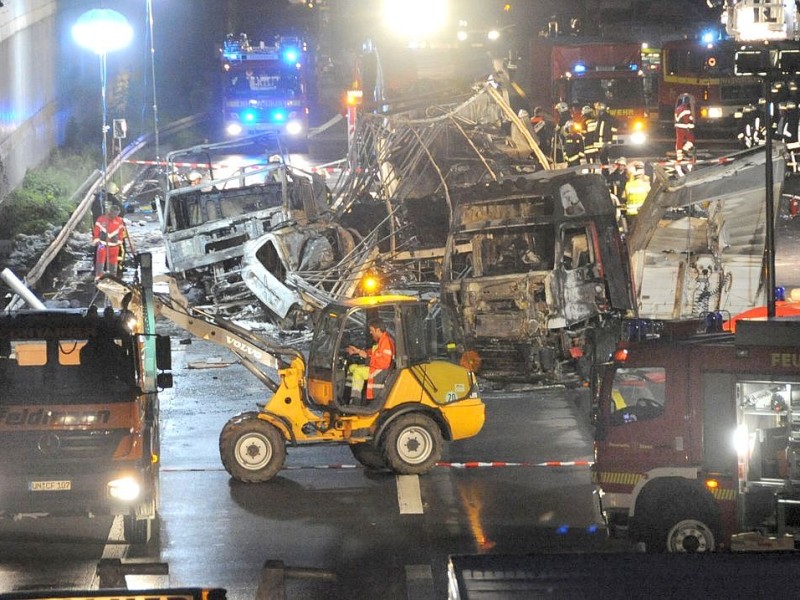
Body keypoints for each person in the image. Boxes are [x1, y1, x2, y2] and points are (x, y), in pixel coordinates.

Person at [345, 318, 395, 403]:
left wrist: (367, 358)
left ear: (378, 330)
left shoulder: (386, 342)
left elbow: (384, 363)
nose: (370, 332)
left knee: (358, 372)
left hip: (380, 370)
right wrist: (358, 351)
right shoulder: (381, 341)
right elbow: (373, 353)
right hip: (376, 366)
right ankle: (347, 396)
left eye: (372, 330)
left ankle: (355, 401)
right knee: (352, 368)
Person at [92, 203, 128, 280]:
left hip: (114, 246)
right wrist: (96, 240)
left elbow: (121, 232)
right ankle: (99, 277)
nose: (115, 216)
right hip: (102, 244)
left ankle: (113, 278)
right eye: (114, 214)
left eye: (117, 214)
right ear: (110, 212)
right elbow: (96, 231)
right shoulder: (101, 219)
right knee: (100, 261)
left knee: (113, 262)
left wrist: (119, 241)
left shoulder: (119, 221)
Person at [674, 93, 696, 168]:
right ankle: (685, 150)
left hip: (678, 127)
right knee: (691, 139)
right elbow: (687, 120)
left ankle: (679, 157)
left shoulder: (678, 108)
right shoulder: (686, 109)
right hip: (684, 127)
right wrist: (691, 125)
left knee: (679, 141)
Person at [594, 102, 618, 169]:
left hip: (604, 142)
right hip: (603, 142)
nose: (596, 112)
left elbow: (606, 131)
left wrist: (609, 141)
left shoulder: (605, 119)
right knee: (603, 159)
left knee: (604, 159)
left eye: (597, 110)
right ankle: (605, 172)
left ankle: (605, 174)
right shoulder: (603, 118)